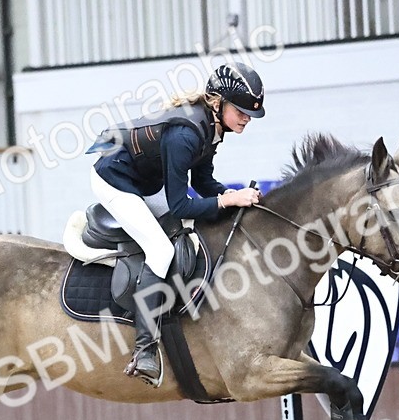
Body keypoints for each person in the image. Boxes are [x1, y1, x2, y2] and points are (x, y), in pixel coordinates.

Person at [87, 62, 265, 387]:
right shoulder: (185, 135)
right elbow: (181, 204)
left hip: (142, 182)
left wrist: (231, 194)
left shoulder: (211, 130)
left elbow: (203, 181)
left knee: (182, 232)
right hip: (114, 179)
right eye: (240, 111)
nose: (245, 118)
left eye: (249, 114)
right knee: (160, 249)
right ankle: (144, 350)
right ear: (217, 102)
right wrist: (226, 201)